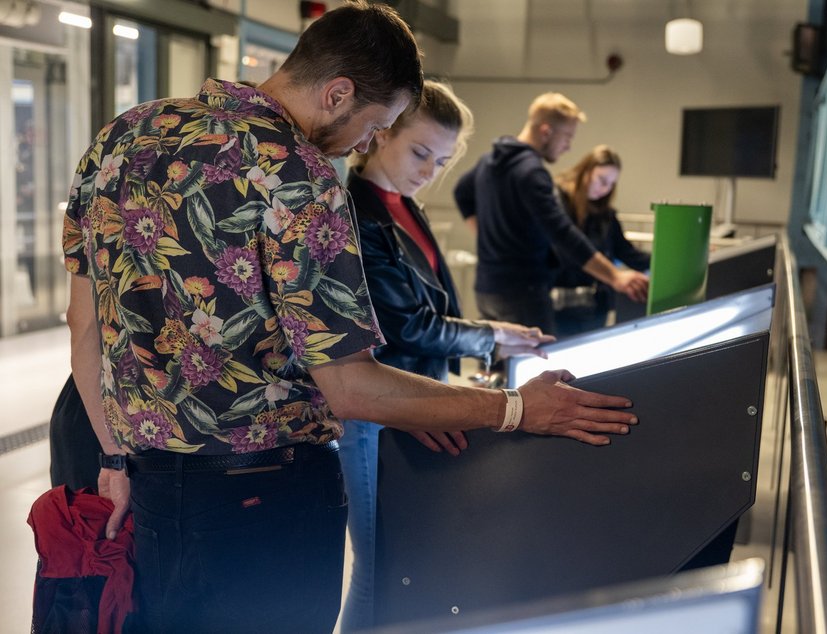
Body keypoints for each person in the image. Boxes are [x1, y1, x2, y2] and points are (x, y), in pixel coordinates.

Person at [60, 3, 637, 632]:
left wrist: (114, 460)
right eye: (374, 124)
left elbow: (82, 326)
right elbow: (350, 384)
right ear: (338, 93)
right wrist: (517, 408)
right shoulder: (299, 176)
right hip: (264, 503)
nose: (367, 143)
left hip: (146, 486)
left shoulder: (125, 135)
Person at [339, 80, 551, 631]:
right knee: (379, 565)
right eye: (419, 153)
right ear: (380, 135)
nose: (430, 171)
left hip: (413, 399)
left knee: (402, 557)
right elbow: (406, 324)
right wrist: (490, 336)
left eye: (440, 160)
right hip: (376, 408)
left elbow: (431, 303)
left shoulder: (403, 205)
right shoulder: (358, 214)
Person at [453, 92, 648, 333]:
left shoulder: (489, 161)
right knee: (538, 367)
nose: (568, 146)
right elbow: (563, 233)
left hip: (487, 289)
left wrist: (486, 238)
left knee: (500, 365)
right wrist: (616, 277)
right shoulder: (532, 172)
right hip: (524, 293)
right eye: (567, 136)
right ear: (546, 131)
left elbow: (462, 193)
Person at [551, 145, 650, 336]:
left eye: (612, 184)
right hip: (559, 307)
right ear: (586, 171)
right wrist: (615, 276)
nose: (605, 189)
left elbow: (627, 252)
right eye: (602, 180)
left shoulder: (606, 215)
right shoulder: (557, 203)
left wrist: (671, 263)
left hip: (596, 308)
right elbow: (566, 251)